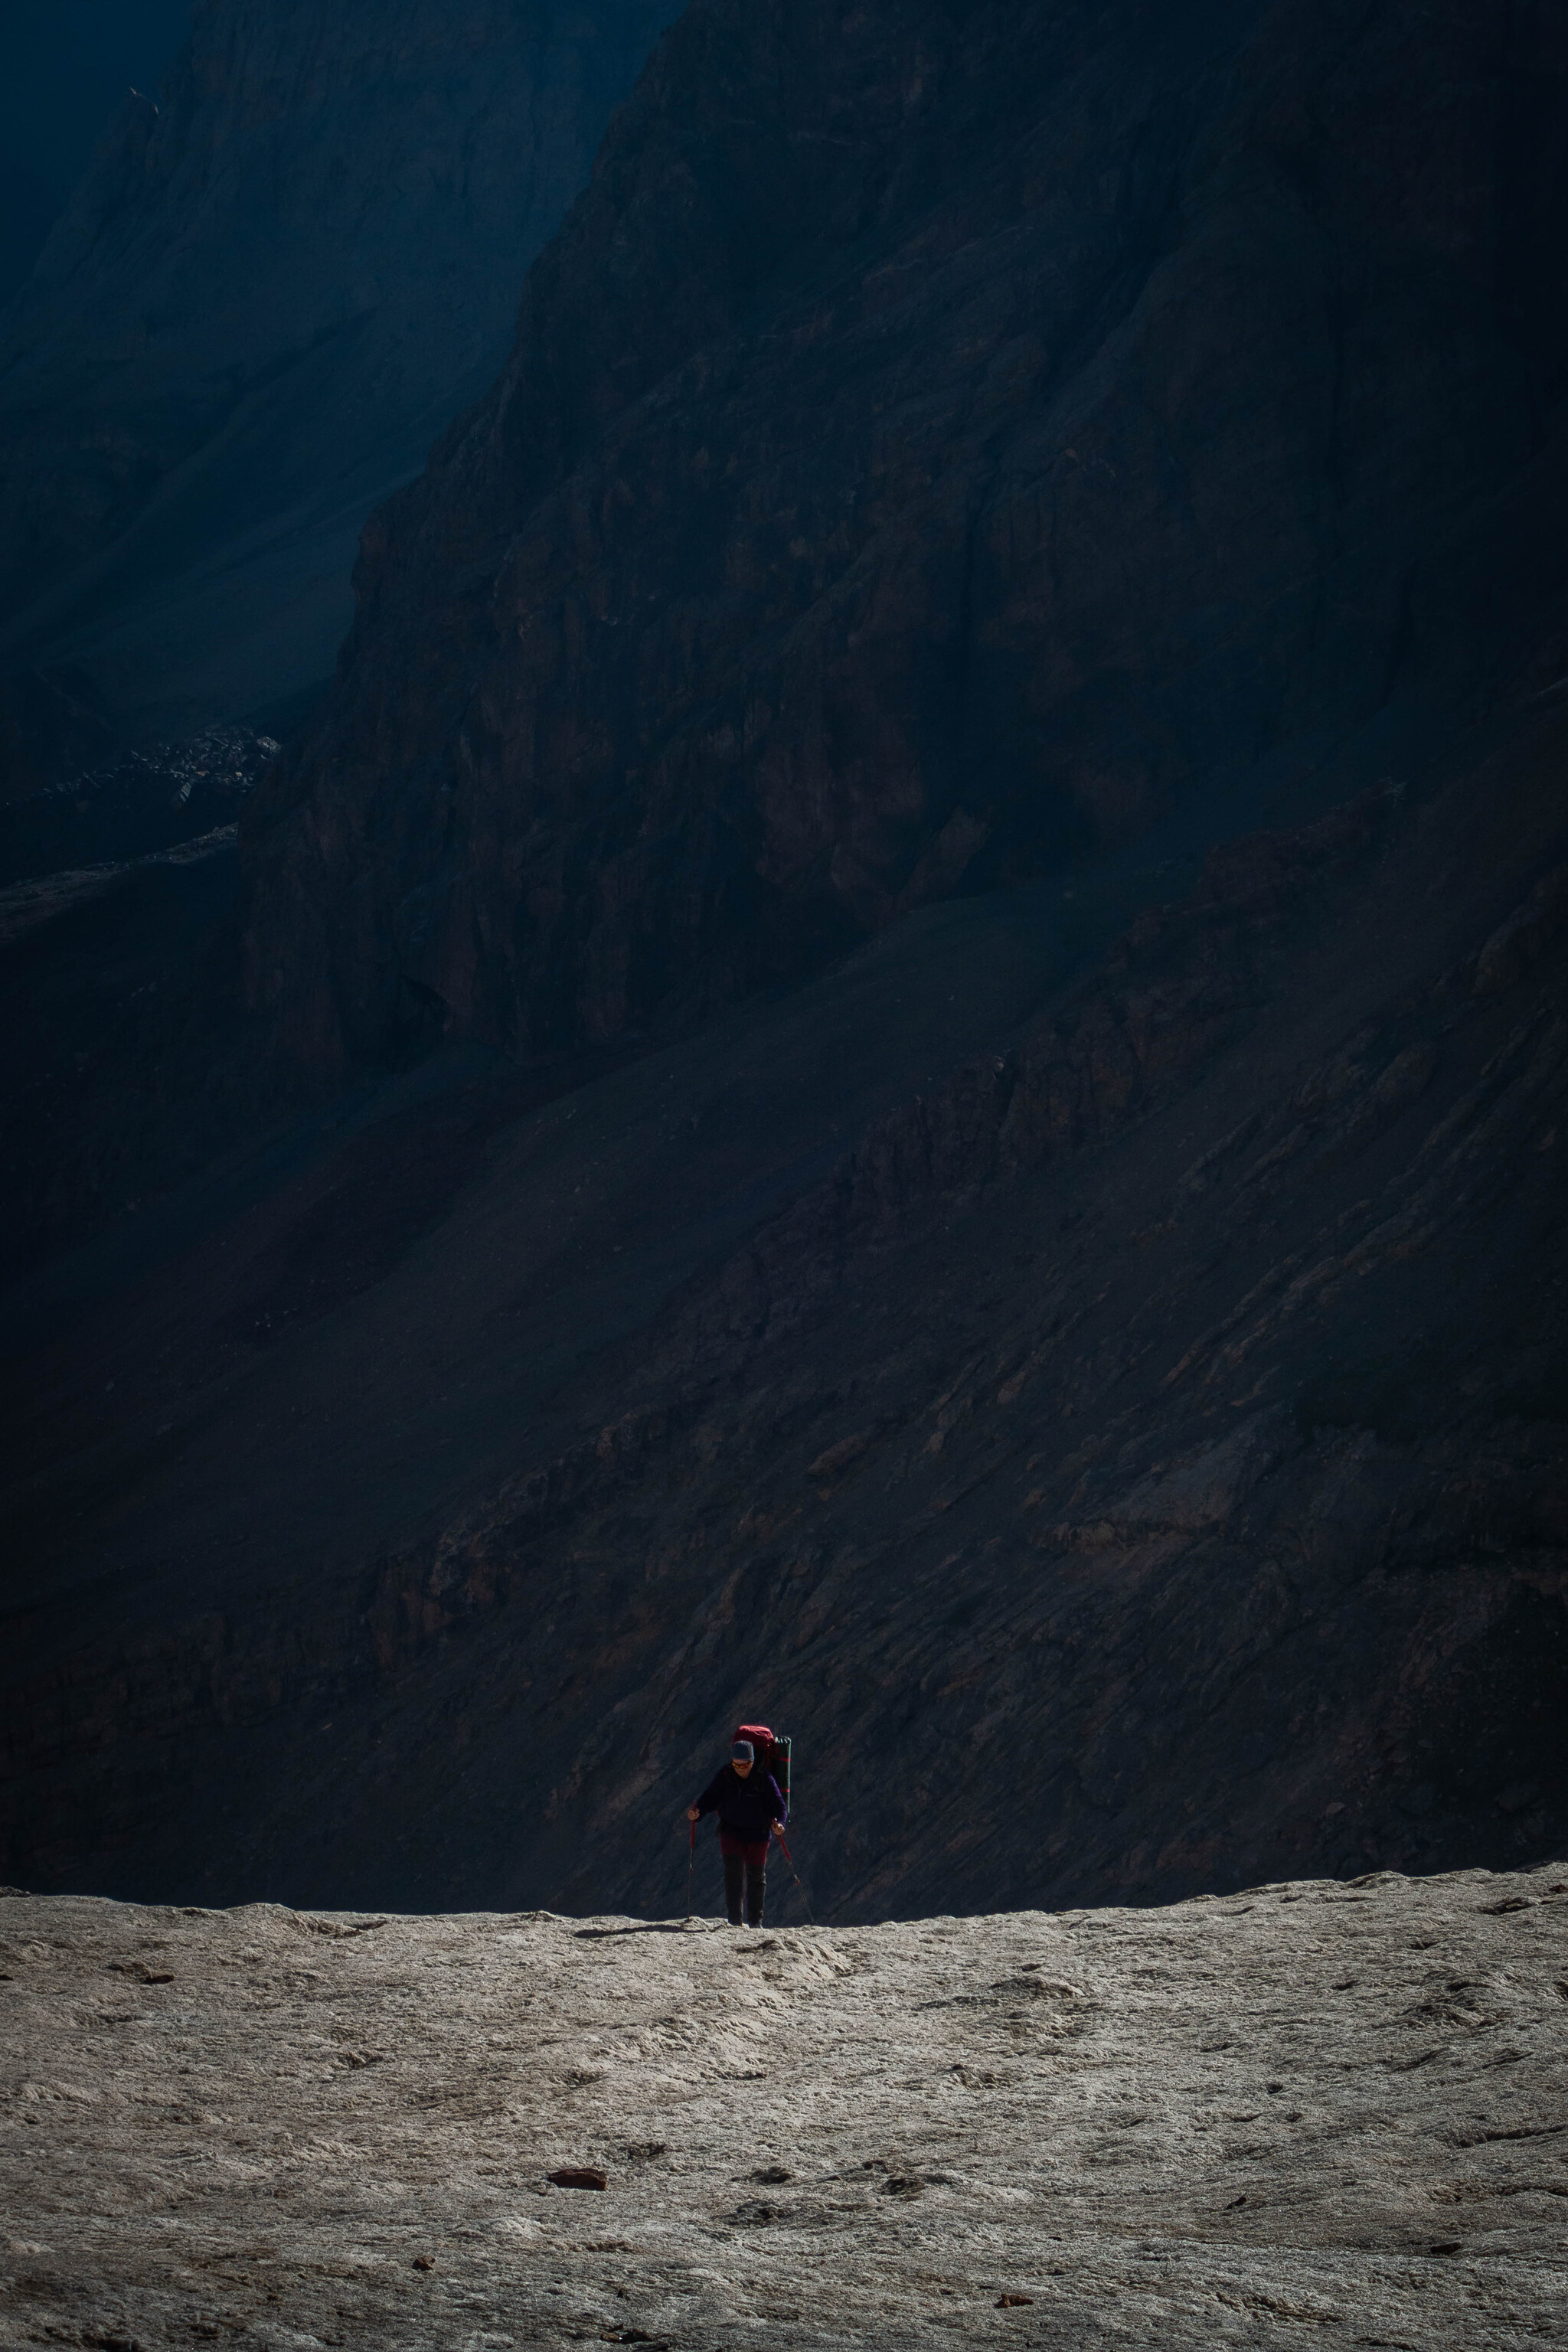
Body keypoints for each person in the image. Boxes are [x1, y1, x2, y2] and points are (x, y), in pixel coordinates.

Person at [687, 1738, 786, 1926]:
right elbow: (710, 1798)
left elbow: (779, 1805)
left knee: (756, 1876)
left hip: (758, 1834)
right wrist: (698, 1812)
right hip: (731, 1832)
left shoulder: (764, 1778)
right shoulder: (726, 1775)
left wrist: (781, 1823)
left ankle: (756, 1923)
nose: (740, 1769)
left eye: (744, 1766)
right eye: (736, 1765)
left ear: (752, 1762)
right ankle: (735, 1922)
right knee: (733, 1875)